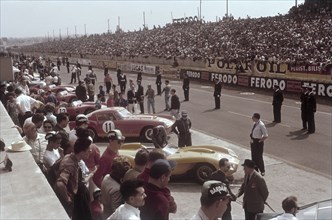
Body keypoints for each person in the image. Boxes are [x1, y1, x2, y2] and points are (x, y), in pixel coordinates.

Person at [54, 131, 93, 219]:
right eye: (88, 150)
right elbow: (60, 184)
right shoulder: (69, 164)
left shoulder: (72, 158)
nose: (90, 151)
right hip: (76, 202)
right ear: (82, 152)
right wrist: (68, 199)